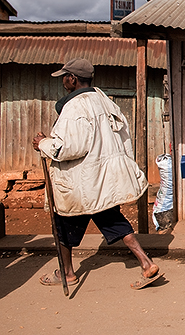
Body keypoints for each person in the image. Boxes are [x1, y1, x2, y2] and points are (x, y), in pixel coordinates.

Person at [32, 58, 160, 289]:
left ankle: (67, 273)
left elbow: (68, 148)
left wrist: (43, 143)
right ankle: (146, 263)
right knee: (112, 219)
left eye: (65, 76)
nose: (63, 81)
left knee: (62, 222)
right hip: (102, 180)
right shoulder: (105, 101)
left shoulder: (75, 108)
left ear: (72, 78)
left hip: (81, 181)